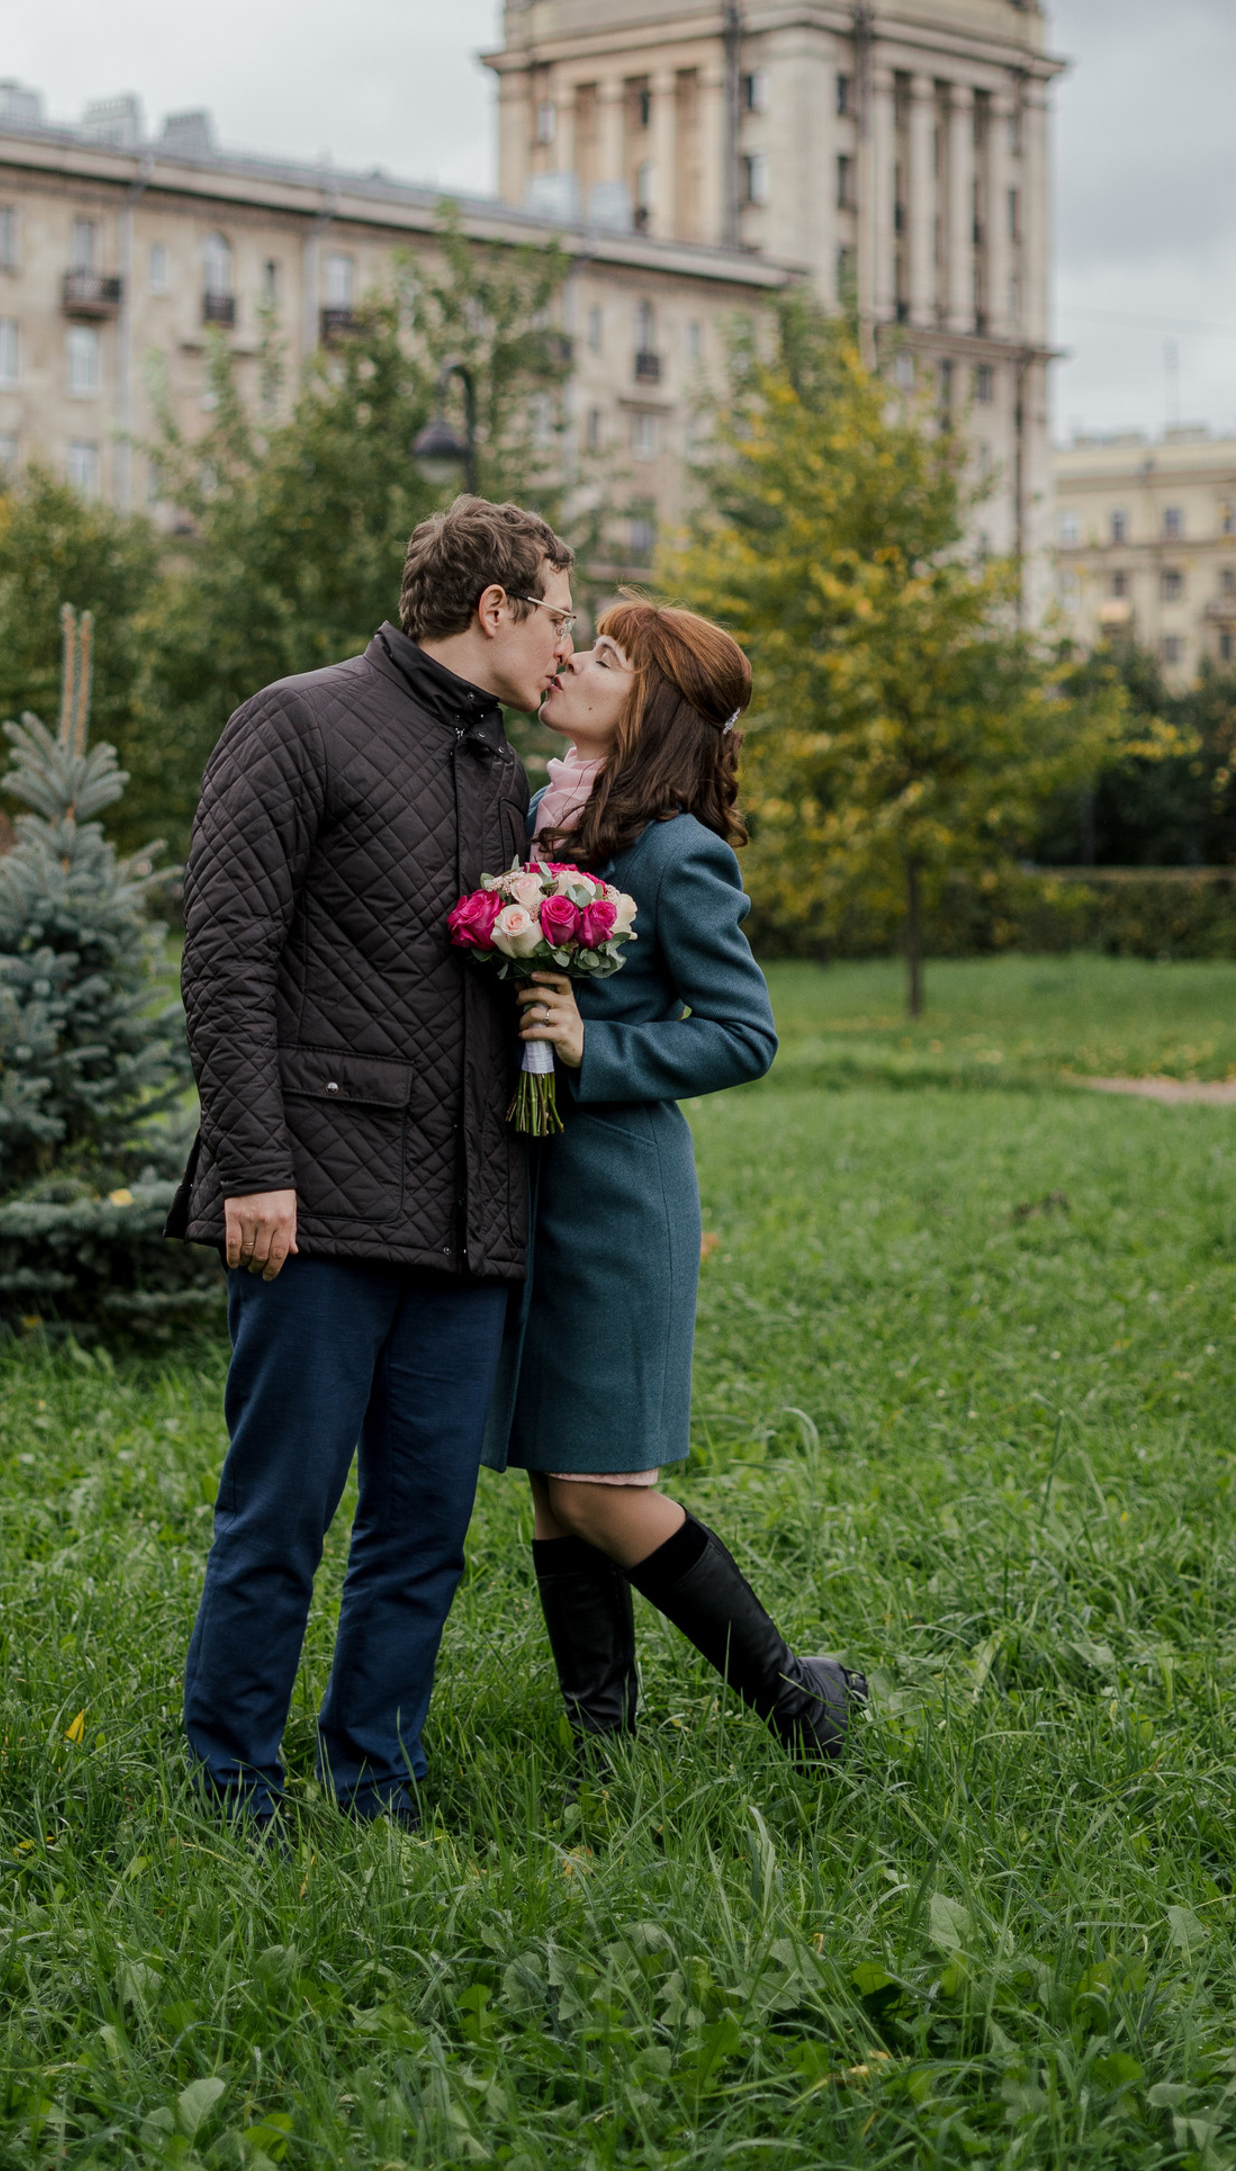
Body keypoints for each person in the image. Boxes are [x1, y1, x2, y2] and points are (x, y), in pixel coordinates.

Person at [171, 495, 576, 1824]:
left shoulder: (499, 768)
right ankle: (233, 1789)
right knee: (278, 1519)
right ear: (494, 609)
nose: (565, 650)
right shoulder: (297, 721)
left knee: (423, 1535)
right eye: (557, 619)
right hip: (318, 1199)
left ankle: (377, 1784)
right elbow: (225, 961)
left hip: (467, 1211)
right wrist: (254, 1166)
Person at [486, 601, 866, 1759]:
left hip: (616, 1199)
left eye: (605, 659)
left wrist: (604, 1051)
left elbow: (744, 1034)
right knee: (557, 1480)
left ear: (647, 705)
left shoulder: (674, 851)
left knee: (604, 1481)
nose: (576, 664)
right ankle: (602, 1738)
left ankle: (799, 1704)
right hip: (533, 1187)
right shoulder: (553, 821)